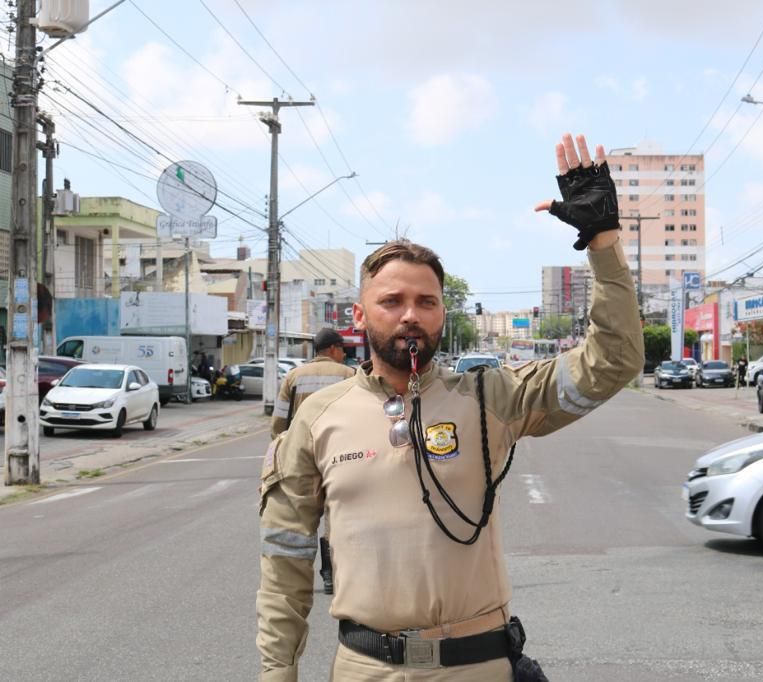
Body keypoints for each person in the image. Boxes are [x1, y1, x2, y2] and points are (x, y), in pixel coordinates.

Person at [257, 133, 644, 681]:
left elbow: (614, 362)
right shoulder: (318, 420)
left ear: (443, 315)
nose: (409, 314)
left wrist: (602, 240)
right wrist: (277, 674)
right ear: (361, 316)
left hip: (478, 666)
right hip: (366, 670)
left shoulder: (492, 398)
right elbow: (285, 560)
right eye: (391, 301)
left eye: (426, 302)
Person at [270, 327, 356, 595]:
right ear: (333, 350)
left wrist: (282, 448)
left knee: (300, 519)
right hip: (339, 455)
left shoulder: (294, 376)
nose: (343, 354)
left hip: (301, 456)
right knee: (334, 517)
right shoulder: (350, 376)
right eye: (342, 349)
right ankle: (330, 576)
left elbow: (278, 421)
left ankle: (293, 580)